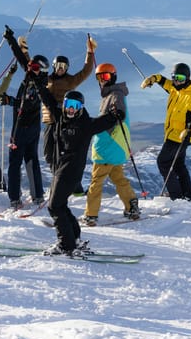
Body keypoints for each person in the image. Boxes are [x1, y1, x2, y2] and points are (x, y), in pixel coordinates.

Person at [37, 87, 122, 256]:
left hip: (71, 170)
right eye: (68, 105)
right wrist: (35, 75)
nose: (71, 109)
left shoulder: (85, 124)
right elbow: (46, 97)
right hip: (60, 168)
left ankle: (66, 245)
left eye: (75, 106)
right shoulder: (60, 117)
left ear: (80, 108)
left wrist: (115, 115)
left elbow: (104, 122)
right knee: (60, 205)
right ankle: (74, 238)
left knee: (54, 207)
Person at [83, 62, 141, 225]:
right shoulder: (113, 94)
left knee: (96, 182)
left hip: (106, 148)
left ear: (113, 76)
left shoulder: (115, 94)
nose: (103, 80)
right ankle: (132, 207)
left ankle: (91, 214)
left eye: (106, 76)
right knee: (119, 178)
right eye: (100, 77)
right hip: (116, 148)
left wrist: (115, 115)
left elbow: (119, 114)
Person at [140, 62, 191, 201]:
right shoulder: (174, 89)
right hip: (173, 135)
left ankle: (176, 197)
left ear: (187, 78)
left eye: (180, 78)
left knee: (163, 162)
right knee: (178, 165)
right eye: (175, 77)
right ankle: (187, 195)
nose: (176, 80)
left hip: (178, 138)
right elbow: (162, 80)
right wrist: (152, 79)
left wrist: (190, 132)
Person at [1, 25, 48, 209]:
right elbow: (22, 59)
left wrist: (10, 101)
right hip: (33, 128)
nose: (30, 68)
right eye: (30, 66)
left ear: (41, 70)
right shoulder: (35, 78)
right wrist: (10, 40)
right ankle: (37, 196)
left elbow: (25, 105)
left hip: (21, 128)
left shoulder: (37, 85)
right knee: (31, 160)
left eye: (34, 67)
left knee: (15, 162)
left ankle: (14, 198)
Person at [43, 37, 97, 192]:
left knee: (64, 155)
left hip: (64, 121)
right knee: (48, 154)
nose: (61, 68)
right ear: (54, 66)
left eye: (64, 66)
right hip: (49, 121)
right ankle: (63, 181)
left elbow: (86, 71)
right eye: (58, 65)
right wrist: (24, 51)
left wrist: (90, 52)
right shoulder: (46, 80)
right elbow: (31, 69)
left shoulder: (70, 81)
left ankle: (71, 186)